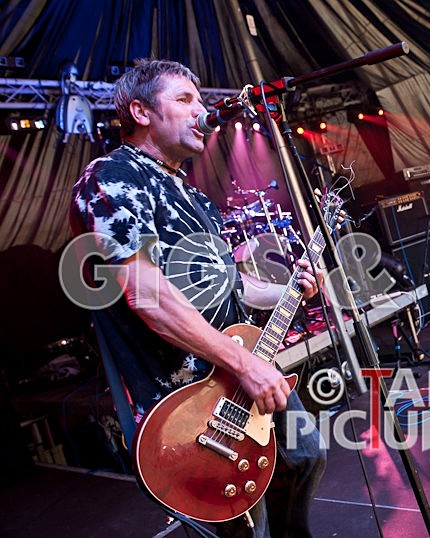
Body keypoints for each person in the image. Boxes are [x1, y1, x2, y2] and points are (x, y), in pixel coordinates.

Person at [69, 59, 325, 537]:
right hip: (188, 403)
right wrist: (247, 365)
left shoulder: (195, 196)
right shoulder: (113, 178)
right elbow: (147, 294)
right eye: (184, 100)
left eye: (201, 100)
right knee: (249, 523)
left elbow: (230, 286)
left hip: (234, 374)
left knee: (306, 455)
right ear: (141, 112)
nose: (201, 111)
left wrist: (292, 287)